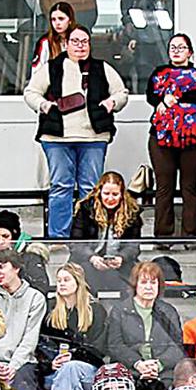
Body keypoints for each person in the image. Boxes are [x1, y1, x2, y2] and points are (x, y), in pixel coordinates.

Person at [25, 25, 128, 238]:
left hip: (94, 136)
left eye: (84, 41)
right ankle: (59, 236)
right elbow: (31, 92)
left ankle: (89, 236)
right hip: (56, 136)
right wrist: (45, 106)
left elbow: (121, 92)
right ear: (66, 44)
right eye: (75, 41)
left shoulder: (102, 68)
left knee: (90, 188)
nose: (80, 46)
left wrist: (112, 102)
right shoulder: (52, 67)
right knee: (61, 185)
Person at [146, 33, 196, 239]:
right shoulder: (158, 73)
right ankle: (163, 236)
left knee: (190, 186)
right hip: (162, 136)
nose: (176, 51)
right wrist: (164, 99)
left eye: (181, 47)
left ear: (190, 52)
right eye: (173, 47)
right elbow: (151, 96)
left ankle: (192, 234)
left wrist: (171, 97)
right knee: (164, 186)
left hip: (192, 137)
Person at [35, 262, 108, 390]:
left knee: (72, 368)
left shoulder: (96, 310)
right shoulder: (51, 309)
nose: (61, 284)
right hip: (58, 373)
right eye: (59, 280)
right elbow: (42, 345)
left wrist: (73, 357)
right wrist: (51, 362)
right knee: (72, 382)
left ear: (78, 282)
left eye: (66, 280)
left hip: (89, 370)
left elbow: (99, 349)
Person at [105, 260, 184, 390]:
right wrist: (138, 364)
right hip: (130, 370)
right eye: (144, 282)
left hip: (162, 372)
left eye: (153, 283)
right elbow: (115, 346)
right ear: (135, 285)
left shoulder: (168, 311)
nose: (149, 287)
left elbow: (177, 347)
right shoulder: (119, 310)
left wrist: (158, 365)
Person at [68, 171, 142, 296]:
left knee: (136, 275)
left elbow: (133, 246)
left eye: (115, 194)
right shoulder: (85, 209)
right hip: (88, 262)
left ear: (122, 194)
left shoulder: (132, 213)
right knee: (84, 272)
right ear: (99, 193)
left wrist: (121, 258)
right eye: (106, 193)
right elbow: (76, 243)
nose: (110, 198)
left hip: (120, 264)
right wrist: (92, 258)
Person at [0, 249, 47, 390]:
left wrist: (12, 366)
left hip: (23, 363)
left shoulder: (35, 298)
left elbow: (30, 339)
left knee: (24, 385)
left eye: (1, 267)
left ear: (16, 268)